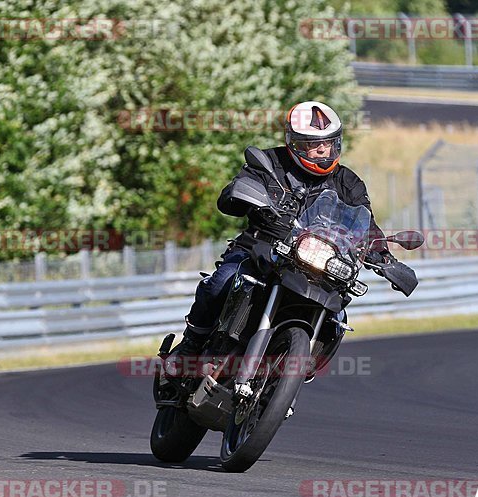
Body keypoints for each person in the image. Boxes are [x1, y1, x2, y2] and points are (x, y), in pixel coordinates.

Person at [169, 100, 394, 359]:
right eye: (313, 144)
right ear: (295, 143)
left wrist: (384, 256)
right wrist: (239, 194)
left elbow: (366, 224)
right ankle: (190, 346)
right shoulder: (269, 162)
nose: (322, 150)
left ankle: (287, 374)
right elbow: (232, 196)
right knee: (223, 281)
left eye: (328, 142)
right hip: (260, 250)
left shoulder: (348, 182)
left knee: (337, 316)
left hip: (319, 265)